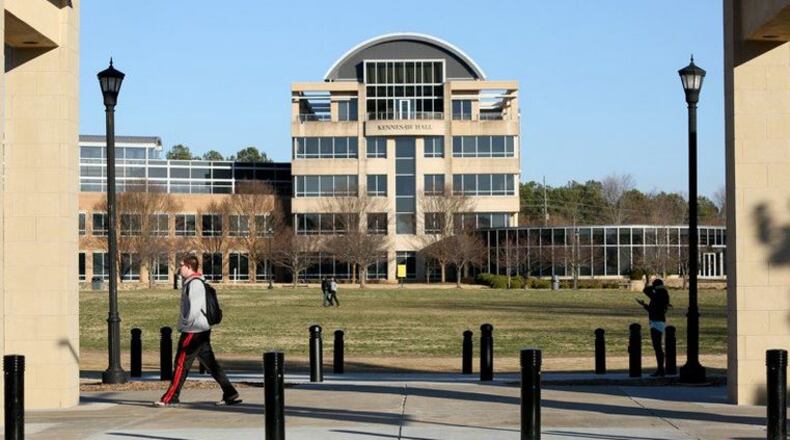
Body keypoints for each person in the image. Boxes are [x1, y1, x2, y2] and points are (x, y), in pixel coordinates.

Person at [154, 255, 241, 407]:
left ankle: (170, 397)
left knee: (181, 363)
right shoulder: (194, 282)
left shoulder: (194, 284)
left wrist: (184, 325)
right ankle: (230, 393)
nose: (179, 268)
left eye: (181, 265)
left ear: (188, 266)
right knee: (211, 364)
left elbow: (193, 310)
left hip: (193, 331)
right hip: (201, 330)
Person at [636, 278, 671, 377]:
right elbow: (652, 310)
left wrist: (655, 286)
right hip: (656, 321)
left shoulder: (659, 294)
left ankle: (660, 369)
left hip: (657, 322)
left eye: (654, 286)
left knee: (657, 347)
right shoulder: (661, 295)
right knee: (657, 347)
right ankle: (660, 369)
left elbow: (645, 290)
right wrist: (644, 305)